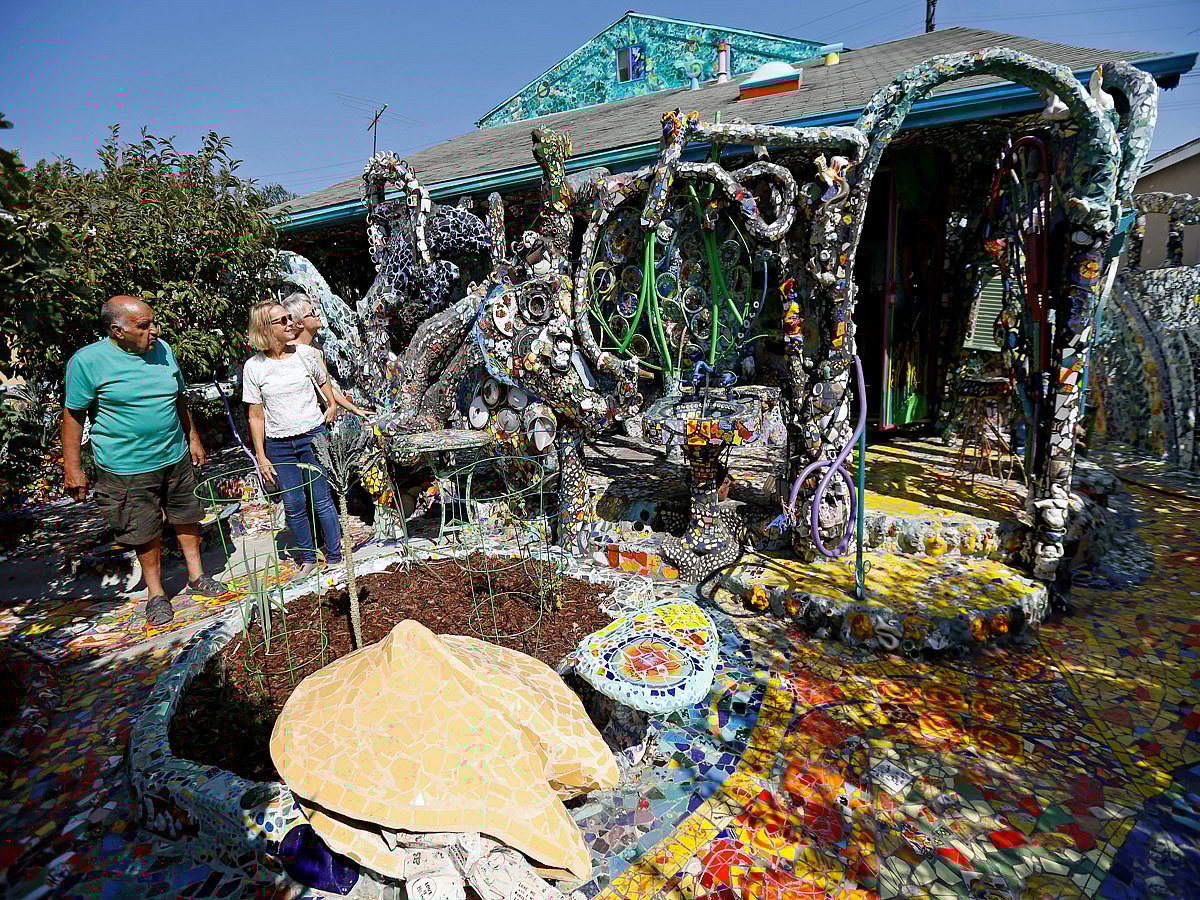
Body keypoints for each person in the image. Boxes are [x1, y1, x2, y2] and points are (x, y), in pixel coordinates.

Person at [62, 296, 230, 627]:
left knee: (187, 516)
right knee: (143, 530)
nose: (153, 330)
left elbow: (178, 399)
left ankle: (197, 577)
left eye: (153, 323)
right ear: (117, 330)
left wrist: (192, 439)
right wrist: (73, 468)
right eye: (144, 325)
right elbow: (72, 415)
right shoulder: (87, 362)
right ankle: (156, 594)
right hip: (126, 467)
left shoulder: (163, 350)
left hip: (174, 455)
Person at [242, 300, 342, 578]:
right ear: (265, 328)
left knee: (321, 499)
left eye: (290, 318)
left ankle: (334, 557)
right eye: (282, 320)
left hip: (312, 436)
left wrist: (331, 405)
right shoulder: (254, 367)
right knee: (293, 504)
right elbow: (255, 415)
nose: (290, 324)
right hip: (279, 444)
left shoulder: (306, 354)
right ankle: (307, 559)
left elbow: (324, 382)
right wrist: (261, 456)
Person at [280, 291, 371, 419]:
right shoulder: (289, 353)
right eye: (312, 312)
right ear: (299, 323)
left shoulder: (317, 348)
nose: (317, 314)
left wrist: (354, 409)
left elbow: (326, 385)